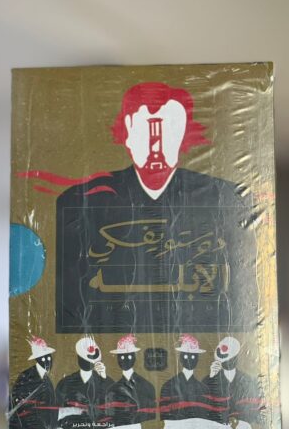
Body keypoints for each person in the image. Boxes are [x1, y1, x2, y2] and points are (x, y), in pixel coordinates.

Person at [56, 81, 257, 335]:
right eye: (146, 131)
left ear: (184, 134)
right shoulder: (80, 203)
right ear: (127, 132)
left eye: (168, 130)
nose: (156, 146)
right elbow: (70, 312)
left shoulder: (227, 200)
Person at [8, 337, 57, 429]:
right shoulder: (26, 376)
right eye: (43, 358)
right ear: (37, 359)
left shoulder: (47, 379)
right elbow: (17, 404)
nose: (47, 361)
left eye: (49, 358)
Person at [55, 336, 114, 429]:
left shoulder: (106, 381)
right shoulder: (66, 383)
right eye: (85, 359)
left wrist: (103, 378)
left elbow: (112, 405)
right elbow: (57, 412)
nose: (88, 363)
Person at [202, 337, 264, 424]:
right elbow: (203, 406)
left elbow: (254, 410)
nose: (228, 362)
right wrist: (212, 378)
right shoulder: (209, 380)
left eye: (231, 358)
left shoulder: (248, 380)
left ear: (236, 358)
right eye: (226, 360)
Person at [106, 334, 156, 425]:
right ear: (117, 359)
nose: (125, 360)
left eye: (129, 356)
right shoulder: (112, 390)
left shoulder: (147, 386)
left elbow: (152, 418)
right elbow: (110, 419)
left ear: (134, 357)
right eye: (121, 357)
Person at [160, 334, 208, 420]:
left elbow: (204, 415)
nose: (189, 360)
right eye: (185, 356)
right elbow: (164, 415)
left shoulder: (203, 389)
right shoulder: (168, 386)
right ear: (181, 358)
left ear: (197, 359)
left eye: (193, 356)